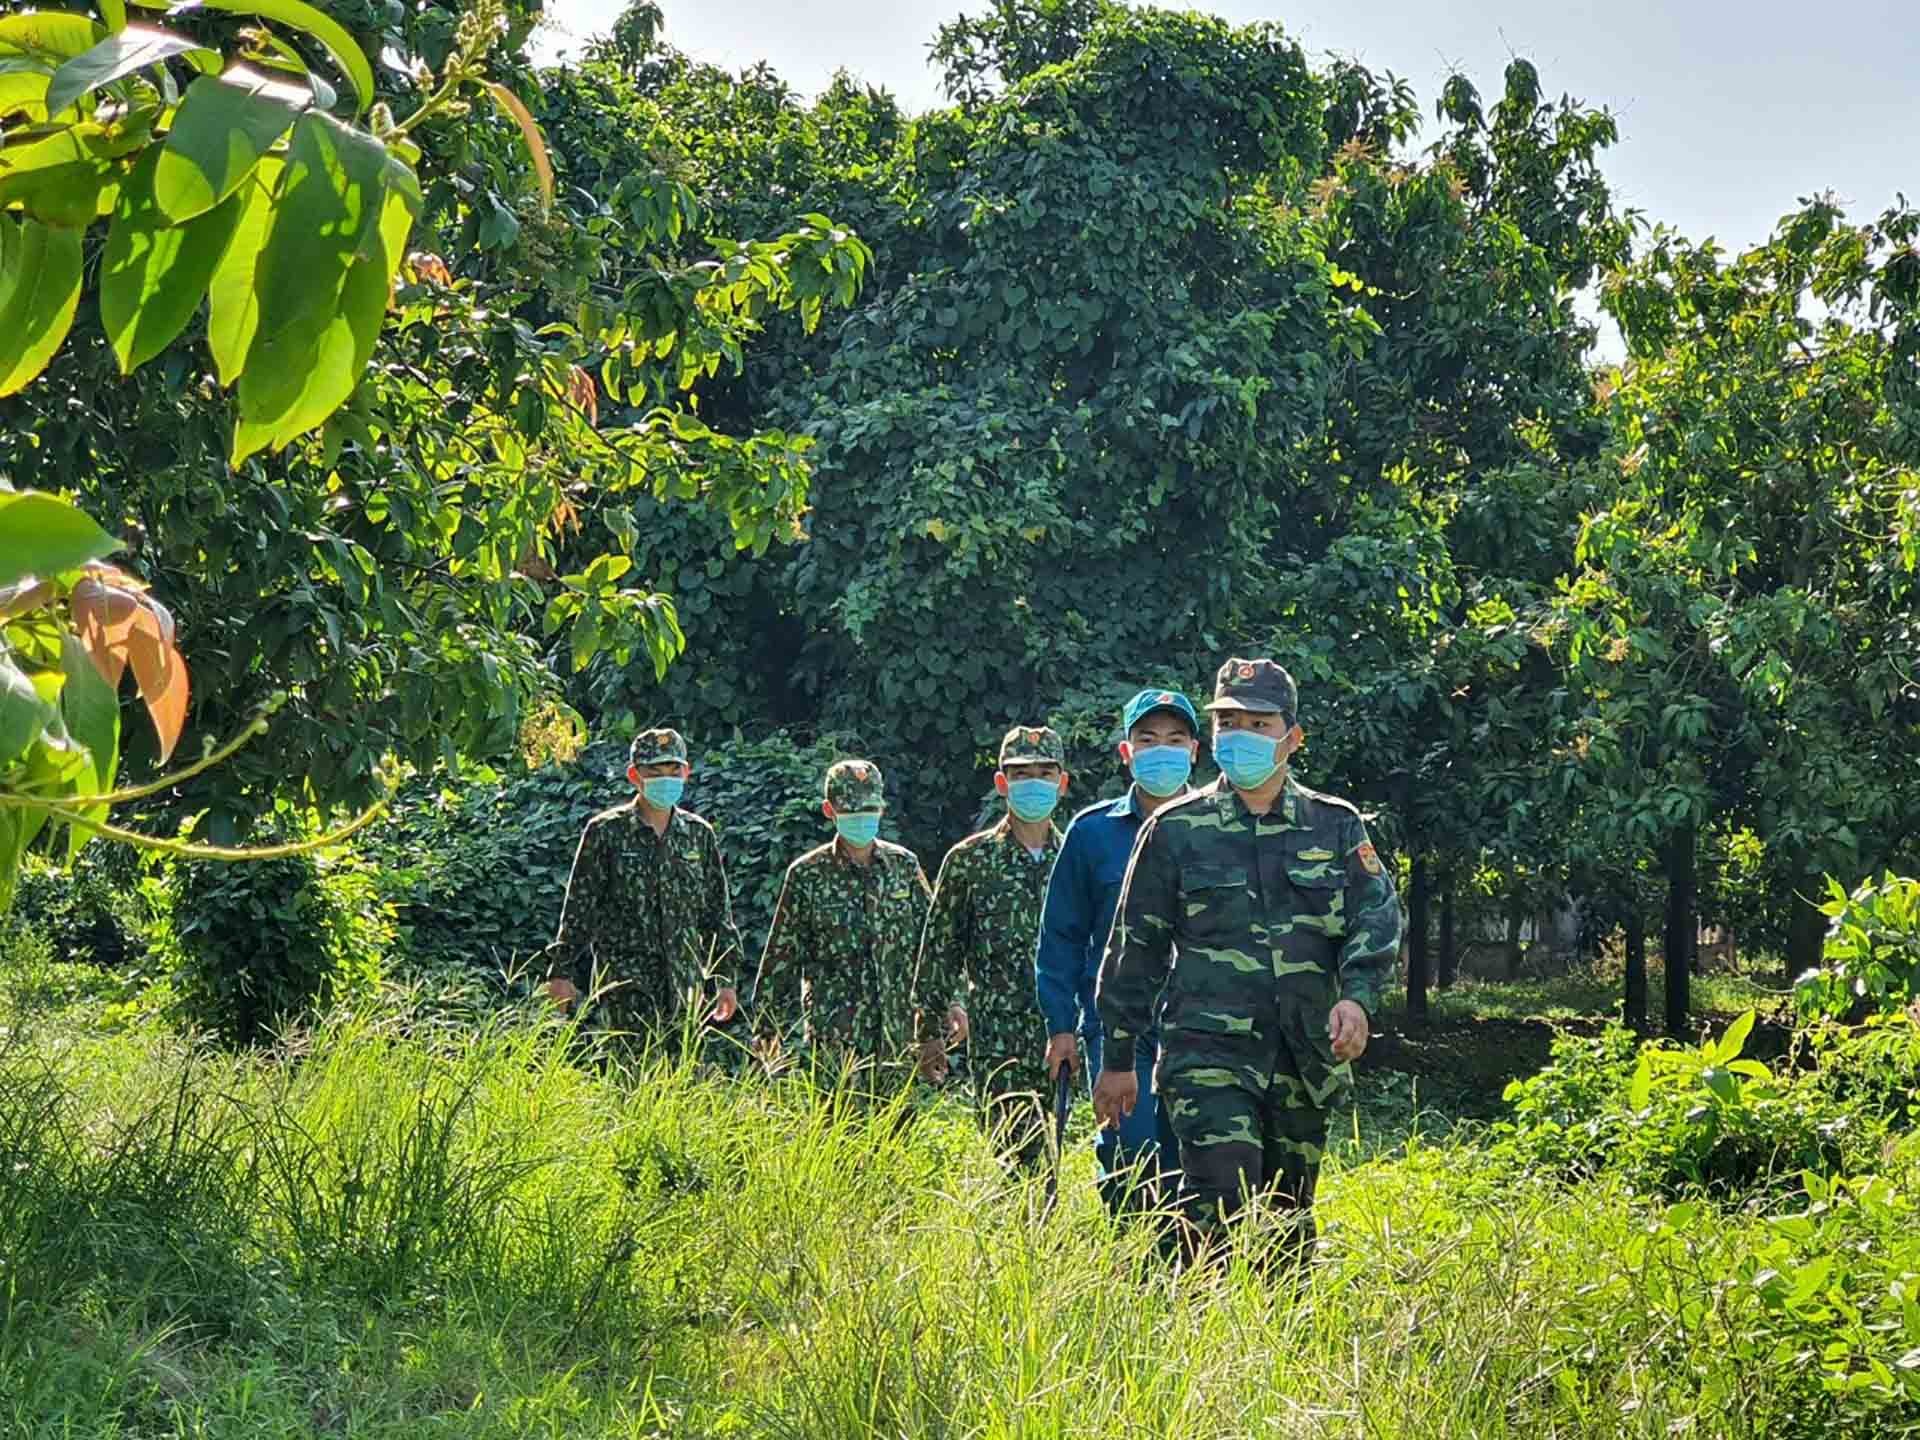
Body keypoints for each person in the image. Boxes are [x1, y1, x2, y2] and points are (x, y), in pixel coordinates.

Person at [1094, 658, 1402, 1259]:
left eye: (1258, 723)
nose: (1241, 736)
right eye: (1228, 722)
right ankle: (1200, 1340)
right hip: (1206, 1055)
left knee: (1287, 1224)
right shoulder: (1176, 830)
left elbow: (1378, 915)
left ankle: (1281, 1344)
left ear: (1292, 737)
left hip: (1304, 1055)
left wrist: (1357, 998)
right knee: (1216, 1202)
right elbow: (1136, 946)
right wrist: (1119, 1057)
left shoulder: (1335, 826)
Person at [1035, 688, 1200, 1212]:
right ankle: (1134, 1280)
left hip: (1206, 1024)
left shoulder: (1224, 827)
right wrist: (1061, 1026)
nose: (1161, 750)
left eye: (1175, 740)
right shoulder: (1092, 833)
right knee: (1132, 1161)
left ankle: (1192, 1281)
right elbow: (1061, 935)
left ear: (1196, 750)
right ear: (1126, 752)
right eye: (1147, 740)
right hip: (1119, 1027)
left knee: (1202, 1165)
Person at [912, 725, 1068, 1129]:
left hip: (1069, 1039)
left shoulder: (1077, 856)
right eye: (1020, 774)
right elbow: (940, 950)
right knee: (1009, 1160)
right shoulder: (970, 860)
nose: (1033, 783)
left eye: (1044, 773)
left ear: (1062, 783)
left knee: (1069, 1157)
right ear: (1002, 783)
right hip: (1000, 1042)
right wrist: (929, 1031)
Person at [546, 727, 742, 1035]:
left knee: (682, 1081)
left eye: (673, 768)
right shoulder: (606, 832)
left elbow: (718, 915)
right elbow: (579, 910)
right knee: (623, 1080)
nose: (666, 777)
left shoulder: (698, 835)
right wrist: (561, 973)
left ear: (686, 772)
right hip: (624, 991)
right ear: (635, 775)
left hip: (685, 991)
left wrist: (725, 979)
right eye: (655, 770)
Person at [752, 758, 932, 1073]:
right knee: (835, 1121)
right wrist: (768, 1028)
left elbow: (933, 944)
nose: (860, 819)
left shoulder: (904, 867)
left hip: (898, 1039)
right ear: (829, 810)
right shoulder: (807, 874)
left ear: (881, 809)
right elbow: (781, 957)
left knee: (901, 1122)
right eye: (850, 811)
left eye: (868, 810)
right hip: (834, 1040)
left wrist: (949, 1008)